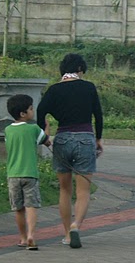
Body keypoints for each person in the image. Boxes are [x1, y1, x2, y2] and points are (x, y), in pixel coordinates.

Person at [37, 53, 103, 249]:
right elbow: (98, 115)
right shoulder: (89, 87)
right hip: (85, 138)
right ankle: (76, 225)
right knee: (83, 191)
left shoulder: (54, 90)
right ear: (80, 70)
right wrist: (98, 139)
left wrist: (44, 133)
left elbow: (41, 111)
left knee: (65, 190)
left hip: (63, 138)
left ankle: (66, 233)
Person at [4, 93, 51, 251]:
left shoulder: (8, 130)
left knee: (18, 209)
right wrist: (47, 128)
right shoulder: (33, 129)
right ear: (23, 113)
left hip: (13, 174)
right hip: (30, 174)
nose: (33, 111)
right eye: (31, 109)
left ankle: (23, 238)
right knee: (31, 206)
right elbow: (46, 141)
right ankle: (31, 235)